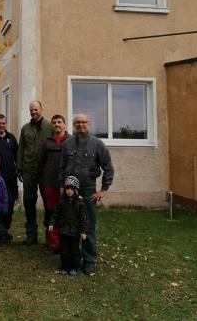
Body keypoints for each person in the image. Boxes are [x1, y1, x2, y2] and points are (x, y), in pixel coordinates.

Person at [60, 113, 114, 274]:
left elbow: (108, 167)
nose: (81, 125)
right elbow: (62, 167)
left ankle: (89, 260)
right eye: (77, 122)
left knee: (88, 225)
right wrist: (62, 188)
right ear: (73, 124)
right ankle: (71, 258)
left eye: (83, 122)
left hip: (88, 190)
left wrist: (103, 189)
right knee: (69, 224)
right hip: (69, 191)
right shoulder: (67, 144)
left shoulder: (97, 144)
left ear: (88, 124)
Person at [16, 100, 52, 245]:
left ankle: (50, 234)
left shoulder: (50, 126)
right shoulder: (25, 128)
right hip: (28, 170)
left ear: (41, 109)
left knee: (48, 202)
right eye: (31, 110)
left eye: (36, 109)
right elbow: (21, 149)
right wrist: (19, 168)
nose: (33, 112)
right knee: (29, 201)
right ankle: (31, 235)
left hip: (45, 171)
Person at [38, 114, 70, 253]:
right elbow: (41, 162)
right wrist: (43, 179)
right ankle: (53, 244)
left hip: (66, 185)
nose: (56, 124)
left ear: (64, 125)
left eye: (59, 122)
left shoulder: (71, 141)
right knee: (51, 213)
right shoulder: (47, 142)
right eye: (54, 122)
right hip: (50, 183)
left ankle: (66, 244)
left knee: (66, 213)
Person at [48, 176, 87, 276]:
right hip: (63, 230)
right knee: (64, 250)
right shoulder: (61, 201)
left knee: (74, 250)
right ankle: (65, 267)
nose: (69, 191)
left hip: (75, 232)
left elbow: (83, 219)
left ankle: (74, 267)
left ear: (75, 190)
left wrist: (83, 231)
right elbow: (56, 213)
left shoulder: (80, 203)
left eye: (71, 189)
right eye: (67, 189)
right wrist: (52, 223)